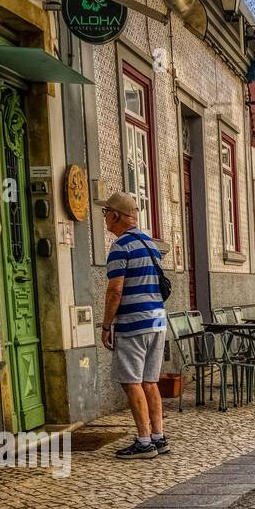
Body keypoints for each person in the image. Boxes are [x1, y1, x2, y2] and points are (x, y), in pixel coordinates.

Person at [100, 191, 169, 460]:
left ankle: (143, 442)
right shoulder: (150, 244)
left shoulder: (120, 247)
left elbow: (115, 290)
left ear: (116, 215)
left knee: (131, 383)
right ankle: (158, 437)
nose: (105, 218)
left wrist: (106, 325)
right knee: (150, 381)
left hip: (134, 323)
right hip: (157, 321)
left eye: (106, 213)